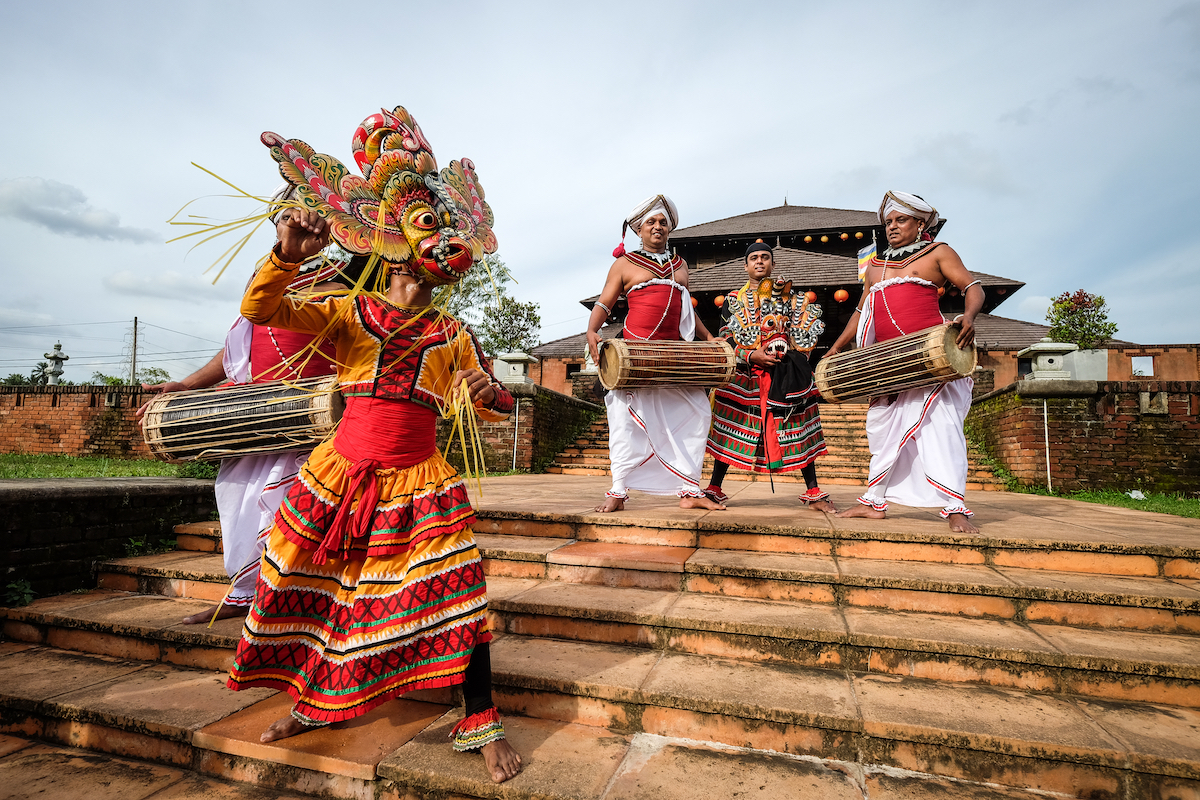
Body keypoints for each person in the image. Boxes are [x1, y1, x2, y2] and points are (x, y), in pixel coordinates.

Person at [225, 106, 522, 783]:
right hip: (340, 477)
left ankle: (480, 719)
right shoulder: (346, 313)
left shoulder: (453, 335)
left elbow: (494, 402)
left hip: (421, 482)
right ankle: (311, 704)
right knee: (312, 587)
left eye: (452, 231)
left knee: (462, 591)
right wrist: (285, 258)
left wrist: (490, 392)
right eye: (430, 227)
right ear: (388, 236)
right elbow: (260, 313)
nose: (447, 243)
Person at [139, 228, 349, 625]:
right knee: (239, 500)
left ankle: (301, 601)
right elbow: (239, 344)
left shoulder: (341, 283)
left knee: (296, 511)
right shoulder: (264, 277)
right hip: (252, 415)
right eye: (285, 216)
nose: (293, 222)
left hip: (316, 419)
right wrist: (187, 385)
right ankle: (245, 593)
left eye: (302, 214)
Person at [826, 191, 984, 534]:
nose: (892, 227)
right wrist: (836, 348)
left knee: (939, 429)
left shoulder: (938, 253)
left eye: (900, 220)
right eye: (888, 222)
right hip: (887, 362)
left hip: (929, 358)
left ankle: (955, 506)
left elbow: (973, 286)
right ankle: (874, 501)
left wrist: (969, 316)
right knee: (882, 431)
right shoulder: (875, 266)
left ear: (920, 223)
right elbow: (860, 311)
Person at [585, 195, 726, 513]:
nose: (658, 226)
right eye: (651, 222)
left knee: (698, 412)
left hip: (673, 355)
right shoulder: (624, 264)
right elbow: (605, 303)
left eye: (663, 222)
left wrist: (709, 338)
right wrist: (592, 330)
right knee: (624, 422)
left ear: (670, 228)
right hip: (634, 354)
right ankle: (618, 490)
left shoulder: (681, 265)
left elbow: (687, 310)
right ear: (638, 229)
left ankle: (690, 489)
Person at [704, 241, 834, 511]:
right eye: (754, 258)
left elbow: (802, 335)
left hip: (784, 373)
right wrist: (751, 355)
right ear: (746, 265)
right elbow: (725, 338)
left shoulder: (791, 298)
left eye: (765, 257)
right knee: (734, 424)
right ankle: (715, 487)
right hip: (745, 374)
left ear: (773, 264)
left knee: (797, 426)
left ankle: (813, 490)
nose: (760, 261)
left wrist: (792, 357)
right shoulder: (733, 301)